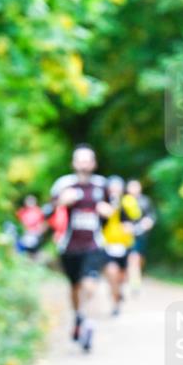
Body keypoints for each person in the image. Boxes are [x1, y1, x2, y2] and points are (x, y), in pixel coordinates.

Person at [50, 145, 114, 353]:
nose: (84, 164)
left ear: (94, 163)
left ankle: (88, 325)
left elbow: (113, 210)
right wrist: (61, 202)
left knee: (90, 285)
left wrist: (107, 211)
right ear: (74, 163)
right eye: (80, 160)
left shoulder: (102, 185)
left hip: (94, 244)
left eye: (88, 160)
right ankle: (79, 316)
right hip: (68, 246)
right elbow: (49, 210)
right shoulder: (63, 184)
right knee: (75, 287)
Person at [101, 175, 142, 316]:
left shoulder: (128, 202)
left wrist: (131, 226)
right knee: (112, 273)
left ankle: (118, 293)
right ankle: (115, 303)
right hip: (107, 245)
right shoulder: (102, 204)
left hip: (125, 245)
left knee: (122, 277)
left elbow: (136, 218)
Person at [126, 179, 156, 295]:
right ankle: (134, 284)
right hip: (127, 236)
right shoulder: (124, 201)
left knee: (139, 259)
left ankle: (137, 277)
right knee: (133, 258)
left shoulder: (145, 201)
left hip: (141, 235)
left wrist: (147, 223)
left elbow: (151, 217)